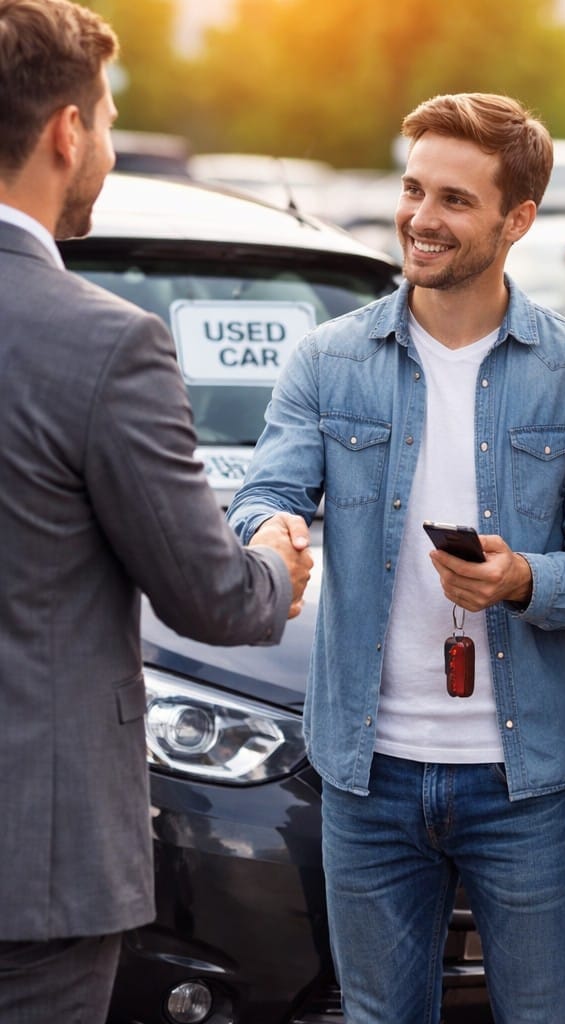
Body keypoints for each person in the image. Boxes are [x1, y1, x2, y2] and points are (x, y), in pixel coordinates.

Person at [227, 92, 565, 1024]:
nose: (419, 219)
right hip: (368, 775)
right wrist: (268, 532)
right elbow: (265, 494)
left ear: (519, 220)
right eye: (412, 190)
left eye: (454, 200)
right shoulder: (329, 360)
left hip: (528, 782)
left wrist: (525, 579)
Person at [0, 2, 312, 1022]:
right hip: (32, 875)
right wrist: (274, 560)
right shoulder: (103, 344)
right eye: (108, 115)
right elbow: (211, 597)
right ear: (65, 131)